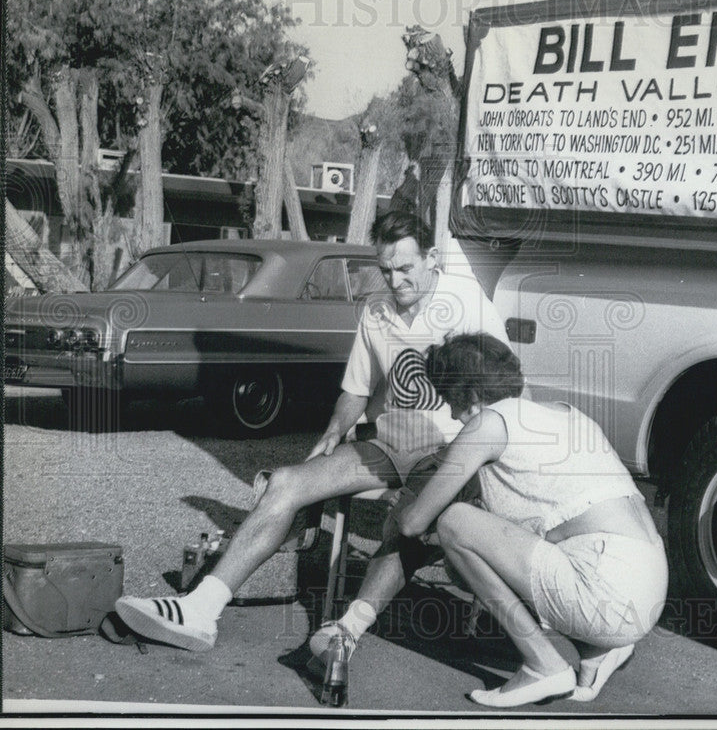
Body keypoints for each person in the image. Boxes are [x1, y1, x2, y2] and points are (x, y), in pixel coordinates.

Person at [114, 212, 509, 653]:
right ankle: (201, 610)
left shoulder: (468, 302)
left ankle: (345, 634)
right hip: (391, 442)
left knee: (408, 517)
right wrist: (333, 431)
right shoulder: (376, 310)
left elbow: (505, 389)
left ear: (432, 258)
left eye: (405, 268)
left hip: (451, 450)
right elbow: (355, 391)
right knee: (286, 483)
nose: (395, 281)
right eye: (385, 270)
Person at [317, 333, 667, 707]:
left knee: (453, 523)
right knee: (476, 540)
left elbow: (412, 524)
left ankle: (543, 664)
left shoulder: (487, 425)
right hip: (648, 583)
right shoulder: (563, 413)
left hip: (605, 592)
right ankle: (597, 650)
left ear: (469, 396)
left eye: (450, 401)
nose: (450, 414)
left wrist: (405, 500)